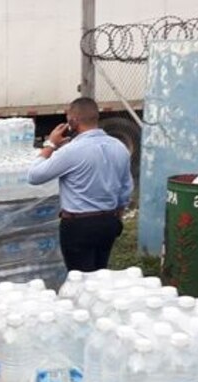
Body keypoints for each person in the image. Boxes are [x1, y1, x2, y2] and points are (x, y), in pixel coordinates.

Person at [27, 97, 132, 272]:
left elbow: (34, 176)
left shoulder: (71, 151)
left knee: (81, 279)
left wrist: (50, 144)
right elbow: (125, 189)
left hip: (79, 225)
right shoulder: (119, 147)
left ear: (73, 121)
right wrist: (116, 218)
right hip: (109, 222)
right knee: (100, 273)